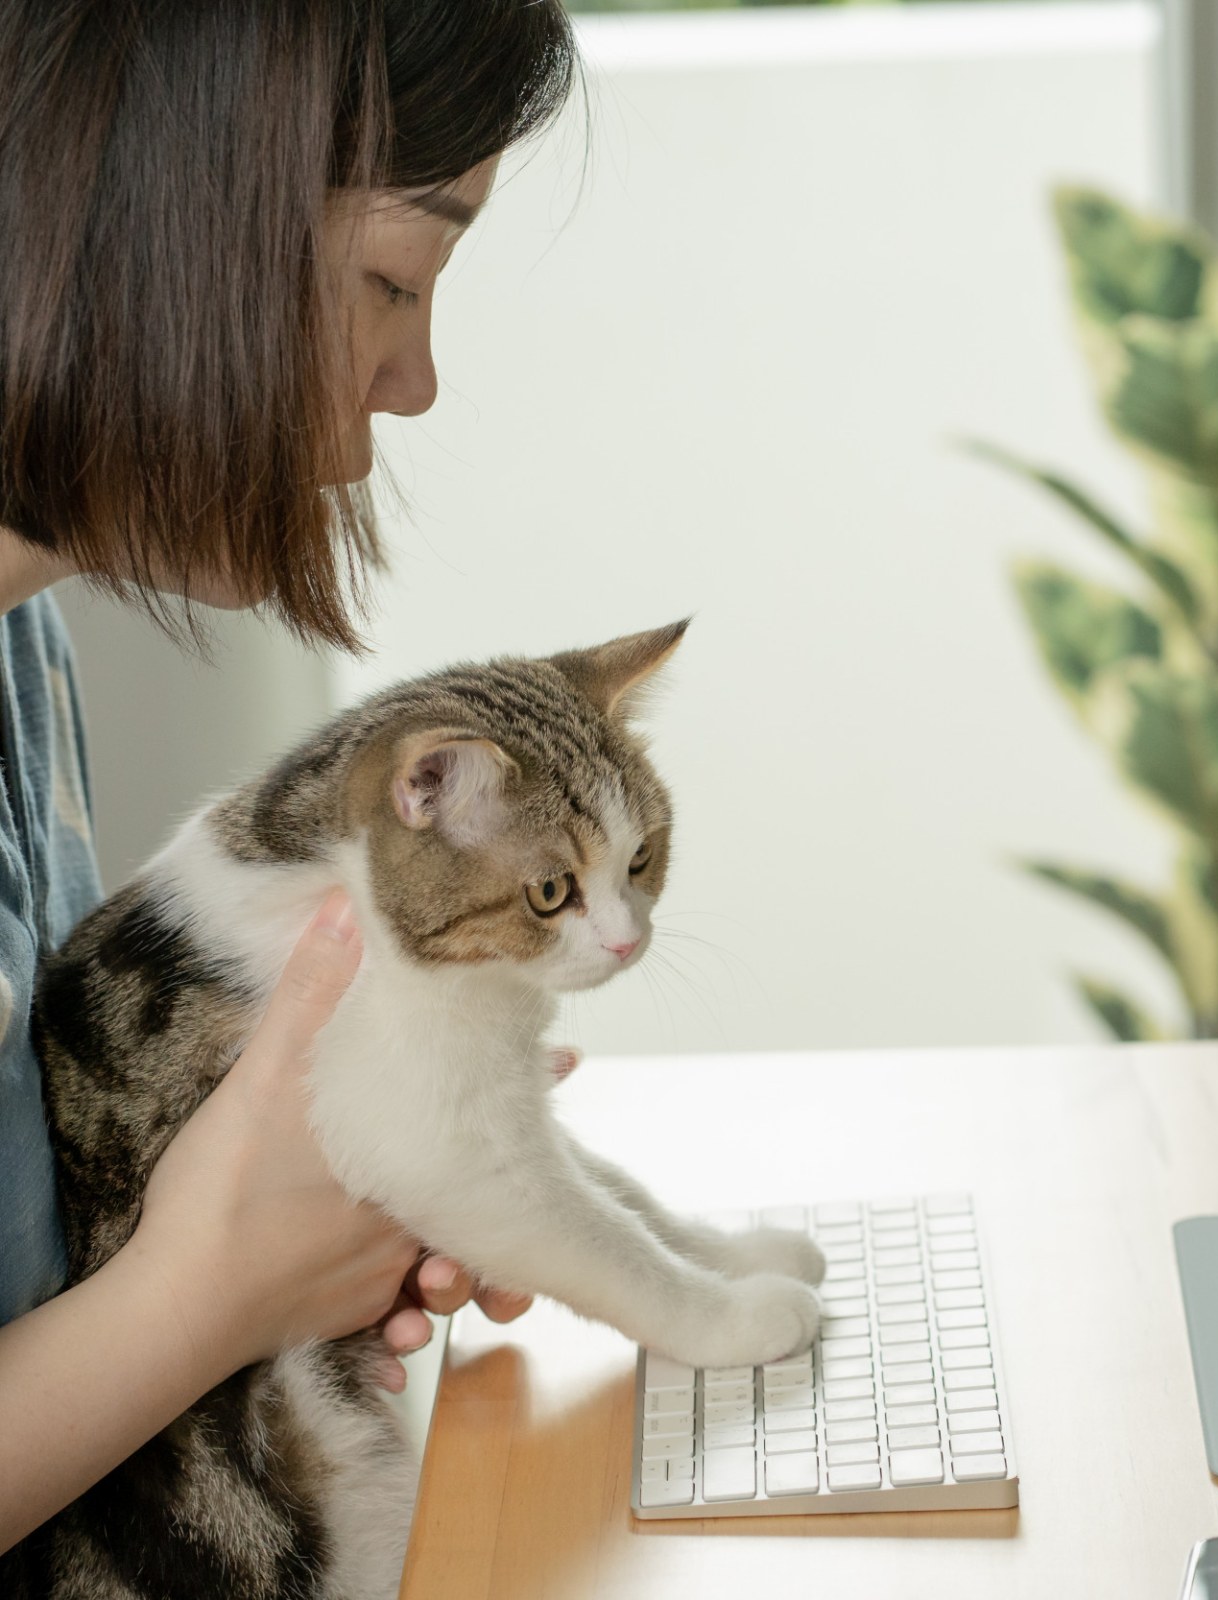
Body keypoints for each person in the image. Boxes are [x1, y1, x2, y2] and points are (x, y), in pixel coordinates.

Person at [0, 0, 576, 1553]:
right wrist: (211, 1288)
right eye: (395, 277)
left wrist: (308, 1187)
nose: (416, 380)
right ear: (160, 202)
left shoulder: (18, 644)